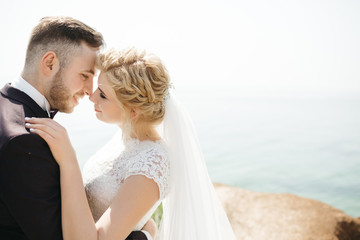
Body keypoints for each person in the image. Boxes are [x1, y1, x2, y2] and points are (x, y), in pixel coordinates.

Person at [25, 47, 237, 239]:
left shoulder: (153, 162)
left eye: (104, 95)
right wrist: (146, 230)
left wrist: (68, 161)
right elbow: (132, 212)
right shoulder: (124, 138)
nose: (92, 97)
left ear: (133, 111)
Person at [0, 17, 153, 240]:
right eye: (85, 75)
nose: (90, 91)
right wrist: (146, 234)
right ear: (50, 63)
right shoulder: (25, 142)